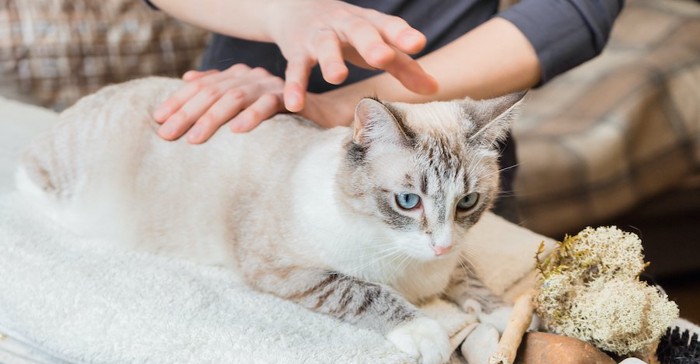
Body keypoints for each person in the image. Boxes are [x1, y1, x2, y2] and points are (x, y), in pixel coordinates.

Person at [145, 0, 624, 219]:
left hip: (441, 163)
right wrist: (280, 11)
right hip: (242, 119)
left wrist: (340, 108)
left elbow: (574, 9)